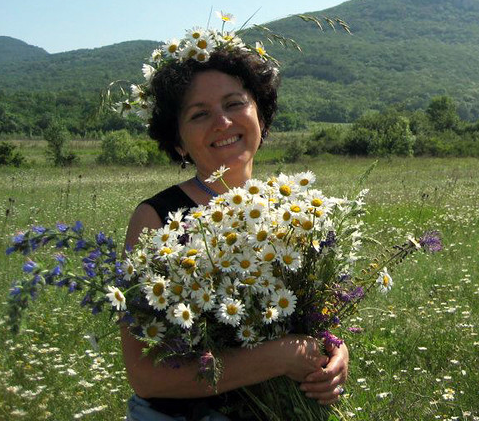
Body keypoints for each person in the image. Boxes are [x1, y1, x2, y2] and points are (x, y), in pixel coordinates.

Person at [120, 35, 349, 421]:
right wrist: (278, 358)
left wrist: (334, 355)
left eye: (234, 104)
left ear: (261, 114)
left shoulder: (294, 210)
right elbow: (146, 376)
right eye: (199, 114)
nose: (223, 122)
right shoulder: (156, 219)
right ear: (178, 142)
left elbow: (316, 319)